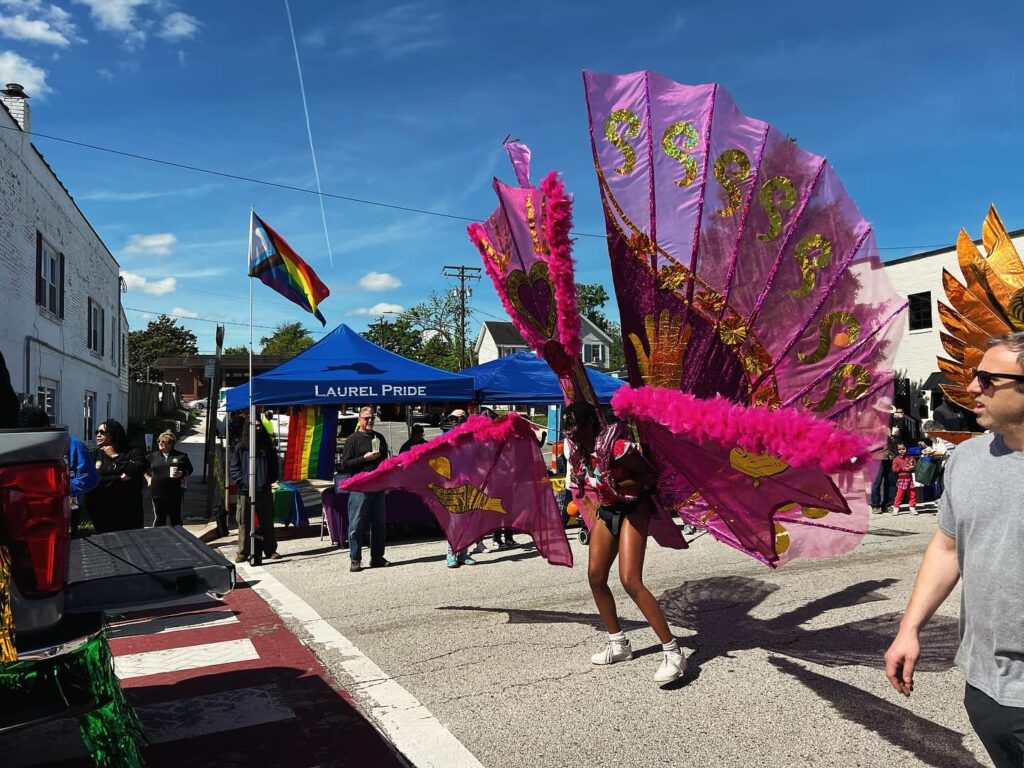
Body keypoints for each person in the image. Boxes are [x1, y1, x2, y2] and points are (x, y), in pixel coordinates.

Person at [885, 332, 1024, 768]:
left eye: (986, 378)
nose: (970, 388)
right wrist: (910, 629)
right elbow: (947, 549)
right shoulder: (967, 459)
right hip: (986, 683)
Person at [562, 402, 685, 683]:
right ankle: (619, 643)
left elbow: (649, 475)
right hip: (608, 508)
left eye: (573, 424)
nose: (568, 430)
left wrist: (620, 484)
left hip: (634, 507)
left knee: (630, 580)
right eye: (566, 425)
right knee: (595, 576)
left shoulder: (617, 447)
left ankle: (673, 652)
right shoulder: (579, 452)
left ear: (589, 425)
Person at [17, 405, 99, 528]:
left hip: (64, 512)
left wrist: (58, 488)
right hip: (30, 514)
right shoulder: (21, 448)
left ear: (45, 427)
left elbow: (89, 479)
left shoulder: (73, 446)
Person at [339, 405, 390, 572]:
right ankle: (355, 558)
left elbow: (385, 463)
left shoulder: (379, 438)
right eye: (366, 418)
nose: (370, 421)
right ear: (359, 419)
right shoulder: (353, 439)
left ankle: (377, 557)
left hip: (378, 486)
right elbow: (344, 465)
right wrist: (364, 458)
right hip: (359, 488)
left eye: (372, 418)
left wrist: (387, 482)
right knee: (356, 525)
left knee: (379, 524)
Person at [230, 417, 281, 563]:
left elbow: (274, 468)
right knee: (244, 522)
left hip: (263, 490)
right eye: (254, 426)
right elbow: (235, 468)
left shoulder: (267, 447)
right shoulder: (241, 447)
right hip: (245, 492)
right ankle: (243, 552)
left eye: (259, 426)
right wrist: (242, 482)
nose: (257, 428)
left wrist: (268, 481)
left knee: (267, 522)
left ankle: (270, 550)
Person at [84, 419, 146, 533]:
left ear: (114, 434)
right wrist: (119, 477)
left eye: (102, 432)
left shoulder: (133, 452)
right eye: (97, 431)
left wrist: (115, 456)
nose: (98, 434)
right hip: (101, 510)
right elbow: (89, 478)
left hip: (128, 511)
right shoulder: (94, 455)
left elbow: (137, 470)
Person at [145, 431, 193, 526]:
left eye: (163, 441)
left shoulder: (181, 456)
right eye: (159, 441)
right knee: (159, 519)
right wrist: (148, 478)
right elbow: (143, 468)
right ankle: (159, 539)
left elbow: (190, 470)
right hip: (157, 493)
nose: (160, 443)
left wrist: (181, 473)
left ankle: (179, 539)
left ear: (171, 443)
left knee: (175, 518)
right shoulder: (152, 456)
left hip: (175, 493)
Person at [890, 442, 917, 515]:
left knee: (912, 494)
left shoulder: (911, 458)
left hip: (910, 479)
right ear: (897, 450)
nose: (901, 450)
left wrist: (913, 467)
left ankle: (912, 508)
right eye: (899, 449)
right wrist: (903, 468)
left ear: (906, 449)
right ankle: (896, 508)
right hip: (901, 479)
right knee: (899, 495)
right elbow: (894, 469)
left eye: (903, 449)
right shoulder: (896, 459)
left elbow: (914, 466)